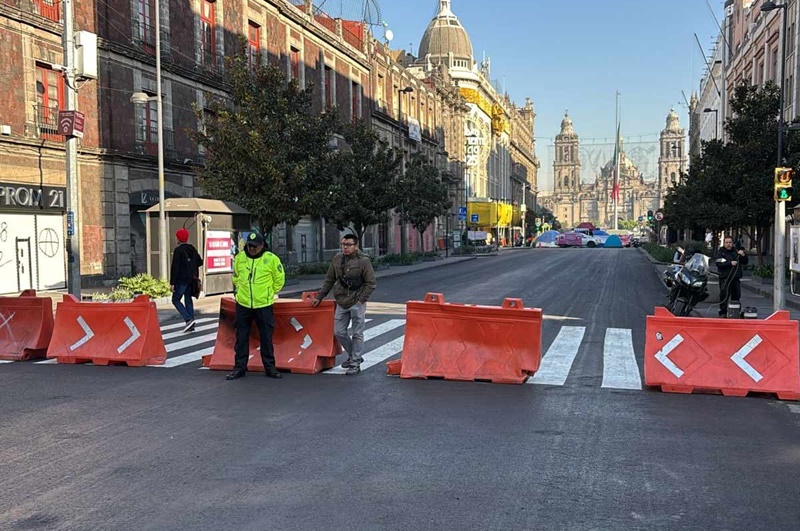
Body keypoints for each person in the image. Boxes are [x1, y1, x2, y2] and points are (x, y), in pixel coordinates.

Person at [312, 234, 377, 375]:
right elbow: (329, 279)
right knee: (339, 332)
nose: (345, 247)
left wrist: (361, 300)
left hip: (357, 301)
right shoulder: (337, 259)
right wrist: (320, 296)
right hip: (342, 301)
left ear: (356, 246)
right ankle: (354, 355)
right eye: (343, 244)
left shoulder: (364, 261)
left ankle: (354, 363)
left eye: (348, 244)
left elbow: (371, 283)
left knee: (357, 333)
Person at [227, 231, 285, 380]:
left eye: (254, 246)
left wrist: (269, 292)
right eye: (249, 246)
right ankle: (239, 368)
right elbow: (235, 277)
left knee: (266, 337)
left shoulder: (271, 259)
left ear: (261, 245)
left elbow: (279, 279)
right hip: (243, 304)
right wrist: (239, 291)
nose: (251, 249)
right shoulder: (240, 258)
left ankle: (270, 368)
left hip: (263, 304)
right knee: (241, 337)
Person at [170, 228, 203, 332]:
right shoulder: (192, 249)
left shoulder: (178, 250)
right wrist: (191, 265)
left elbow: (175, 267)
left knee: (175, 299)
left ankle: (188, 319)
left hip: (182, 279)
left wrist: (172, 283)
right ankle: (191, 323)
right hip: (192, 279)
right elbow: (200, 261)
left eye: (176, 237)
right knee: (188, 299)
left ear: (179, 238)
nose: (176, 238)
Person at [715, 235, 748, 318]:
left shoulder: (736, 251)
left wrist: (743, 255)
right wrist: (730, 263)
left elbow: (745, 262)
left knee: (736, 296)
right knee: (724, 296)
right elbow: (719, 264)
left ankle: (735, 312)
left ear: (732, 243)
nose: (728, 244)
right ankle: (723, 312)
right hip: (725, 279)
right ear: (724, 243)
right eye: (726, 243)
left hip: (735, 278)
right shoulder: (721, 252)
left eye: (730, 242)